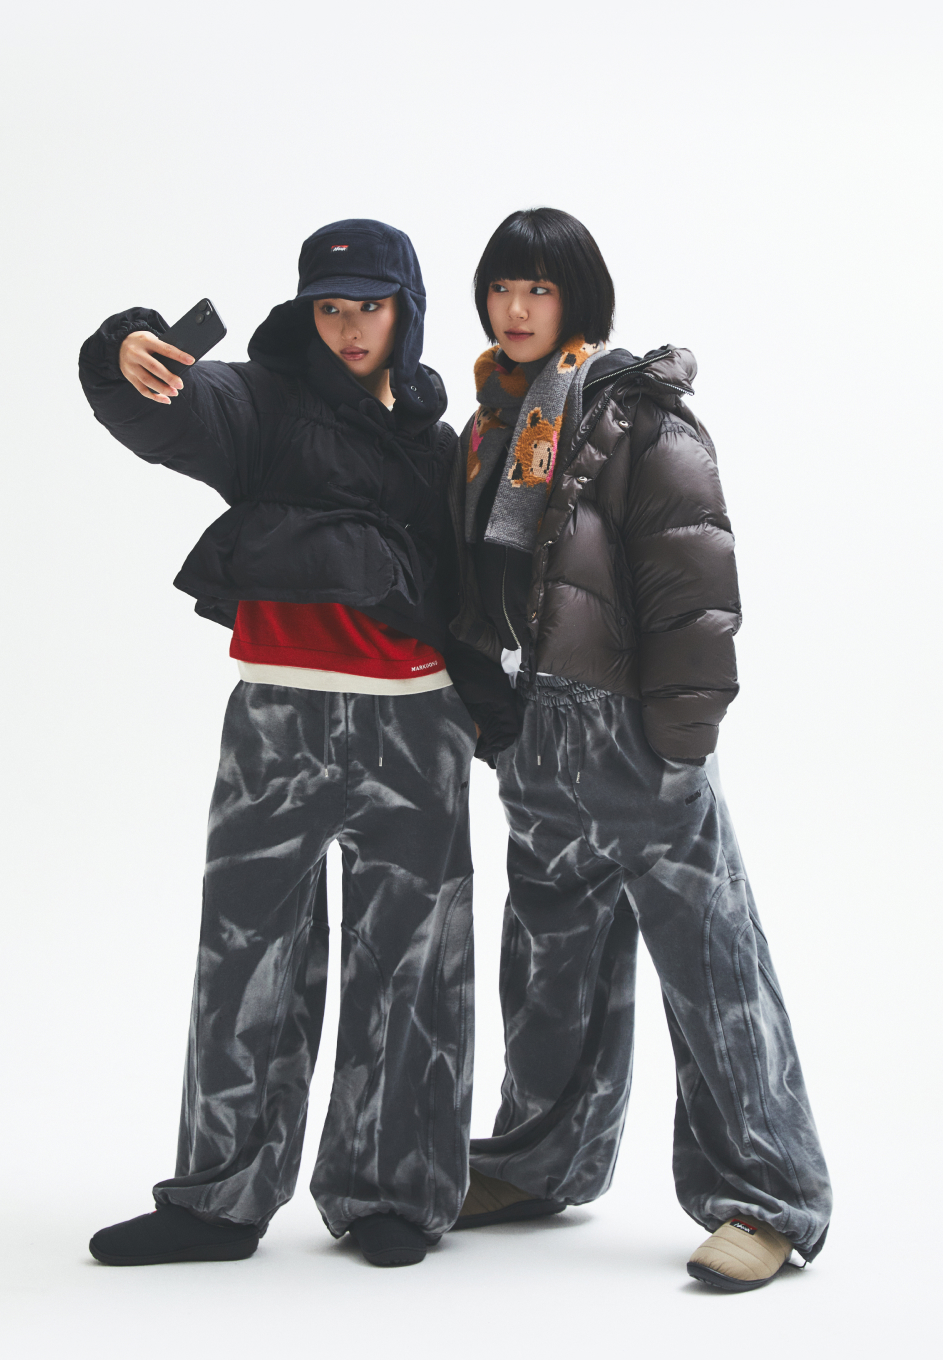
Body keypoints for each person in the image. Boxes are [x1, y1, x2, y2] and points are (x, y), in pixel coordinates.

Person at [445, 206, 832, 1292]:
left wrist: (679, 742)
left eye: (538, 288)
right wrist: (496, 720)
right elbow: (479, 586)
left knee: (713, 972)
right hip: (537, 739)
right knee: (548, 969)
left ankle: (766, 1200)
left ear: (578, 298)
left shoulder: (638, 419)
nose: (516, 308)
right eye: (501, 287)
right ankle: (538, 1161)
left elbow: (694, 585)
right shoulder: (493, 422)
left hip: (634, 735)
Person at [78, 219, 477, 1271]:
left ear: (406, 311)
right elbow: (163, 407)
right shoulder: (258, 404)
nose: (348, 327)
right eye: (330, 307)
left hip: (417, 722)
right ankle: (218, 1201)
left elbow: (475, 596)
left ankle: (392, 1196)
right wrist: (121, 350)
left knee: (412, 968)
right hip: (277, 722)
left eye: (370, 306)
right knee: (244, 959)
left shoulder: (441, 446)